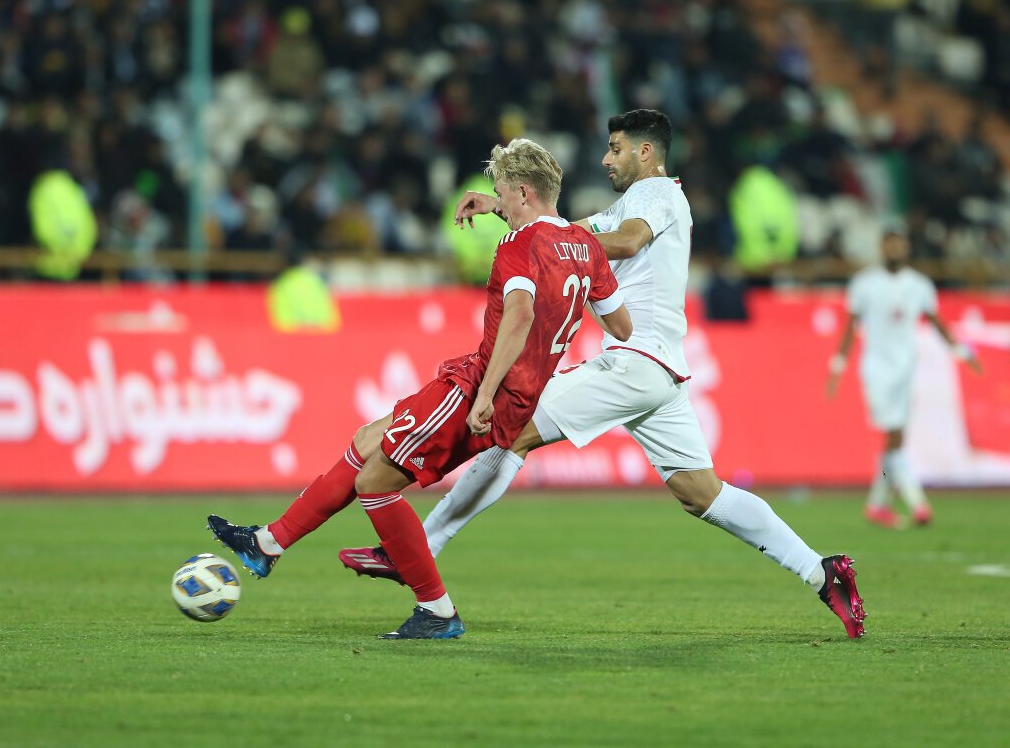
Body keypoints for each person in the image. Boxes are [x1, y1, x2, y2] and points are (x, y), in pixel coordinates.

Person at [340, 109, 869, 639]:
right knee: (701, 493)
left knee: (511, 431)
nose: (605, 159)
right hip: (658, 371)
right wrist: (503, 207)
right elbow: (565, 232)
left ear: (645, 151)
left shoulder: (656, 193)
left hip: (635, 362)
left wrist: (551, 237)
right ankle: (821, 571)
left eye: (616, 148)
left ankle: (415, 551)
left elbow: (625, 241)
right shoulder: (631, 201)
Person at [207, 139, 631, 639]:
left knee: (374, 484)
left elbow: (519, 315)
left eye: (501, 192)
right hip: (517, 392)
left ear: (522, 191)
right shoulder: (585, 247)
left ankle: (437, 610)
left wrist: (485, 394)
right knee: (369, 439)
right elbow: (621, 326)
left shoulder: (518, 245)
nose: (497, 200)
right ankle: (268, 543)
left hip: (482, 386)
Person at [826, 228, 982, 528]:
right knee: (894, 435)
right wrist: (837, 366)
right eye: (890, 244)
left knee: (894, 440)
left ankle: (877, 504)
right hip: (877, 370)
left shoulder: (919, 285)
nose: (894, 249)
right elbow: (850, 326)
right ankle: (918, 503)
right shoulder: (865, 283)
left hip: (906, 370)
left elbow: (936, 322)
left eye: (899, 244)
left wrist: (962, 351)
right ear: (881, 247)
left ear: (907, 248)